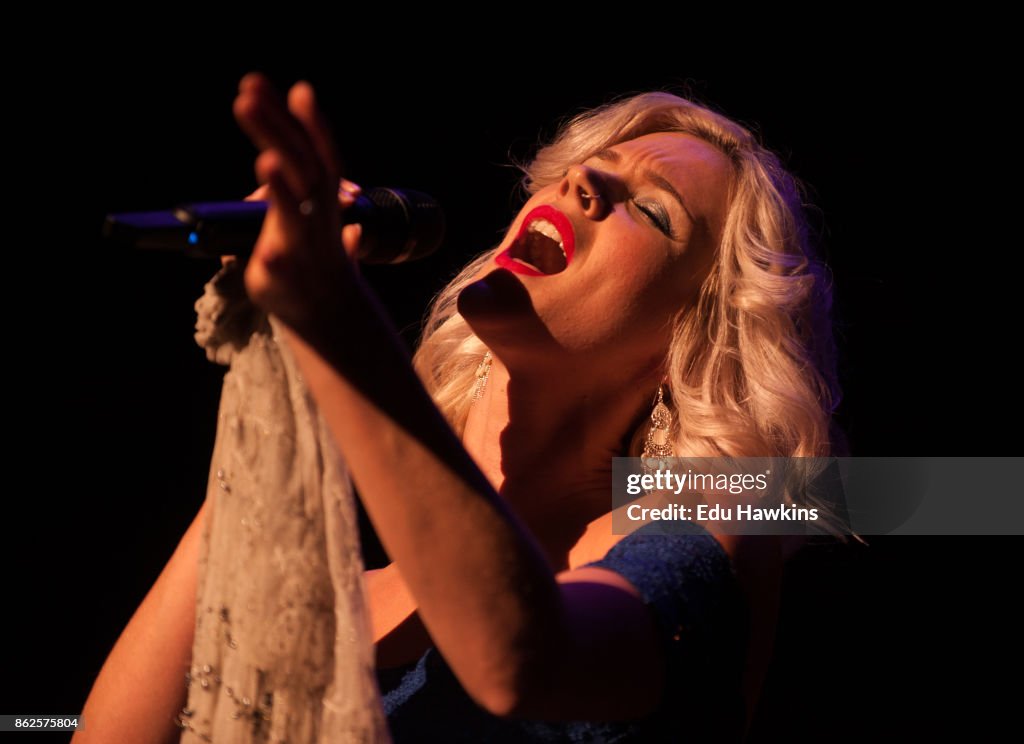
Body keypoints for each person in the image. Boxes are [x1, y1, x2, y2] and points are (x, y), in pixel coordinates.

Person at [76, 73, 842, 743]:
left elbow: (517, 659)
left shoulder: (711, 527)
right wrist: (281, 370)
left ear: (689, 341)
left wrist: (336, 323)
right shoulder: (329, 599)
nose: (584, 186)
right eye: (587, 170)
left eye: (652, 211)